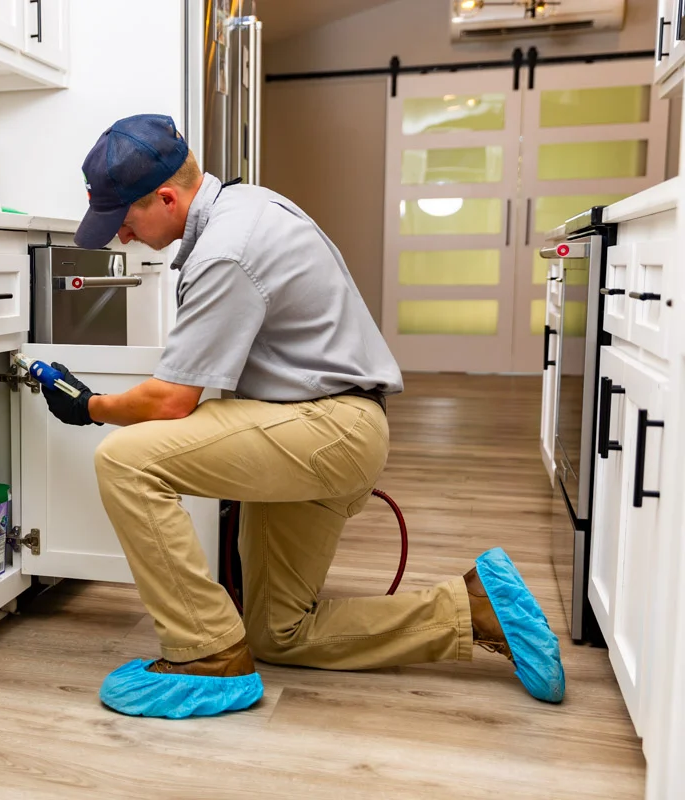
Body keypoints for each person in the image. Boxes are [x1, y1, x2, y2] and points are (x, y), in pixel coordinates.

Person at [39, 113, 566, 720]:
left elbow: (171, 402)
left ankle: (206, 656)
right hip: (322, 424)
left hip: (326, 429)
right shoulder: (248, 207)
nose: (123, 236)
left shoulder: (225, 250)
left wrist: (89, 406)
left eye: (124, 220)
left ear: (166, 197)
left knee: (124, 460)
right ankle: (473, 611)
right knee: (278, 633)